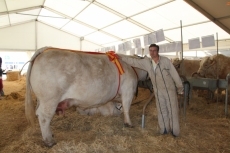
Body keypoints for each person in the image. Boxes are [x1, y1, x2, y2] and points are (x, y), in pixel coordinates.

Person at [119, 44, 183, 137]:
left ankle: (175, 132)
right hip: (157, 91)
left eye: (154, 50)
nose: (152, 53)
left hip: (169, 90)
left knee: (172, 110)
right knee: (161, 110)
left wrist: (180, 87)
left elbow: (174, 73)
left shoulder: (165, 61)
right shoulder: (147, 62)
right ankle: (164, 129)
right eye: (150, 51)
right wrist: (120, 57)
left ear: (158, 51)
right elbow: (133, 61)